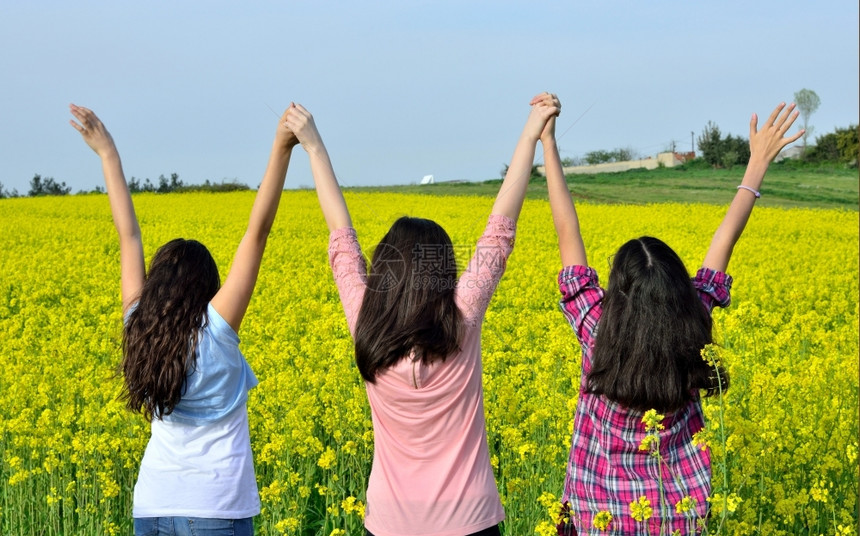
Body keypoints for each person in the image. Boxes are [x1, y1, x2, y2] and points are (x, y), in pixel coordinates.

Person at [285, 94, 560, 536]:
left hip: (390, 523)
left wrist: (313, 146)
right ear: (443, 270)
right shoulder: (461, 321)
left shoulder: (366, 326)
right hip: (470, 521)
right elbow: (498, 236)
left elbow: (341, 240)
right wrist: (532, 133)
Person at [544, 102, 802, 535]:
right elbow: (725, 243)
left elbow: (566, 233)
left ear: (618, 294)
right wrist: (755, 167)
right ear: (679, 290)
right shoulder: (692, 328)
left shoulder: (596, 332)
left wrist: (547, 142)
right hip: (675, 516)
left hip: (595, 517)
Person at [70, 102, 299, 535]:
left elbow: (128, 235)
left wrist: (108, 154)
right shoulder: (216, 332)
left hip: (153, 507)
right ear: (208, 289)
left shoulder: (139, 327)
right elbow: (257, 231)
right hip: (214, 511)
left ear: (156, 286)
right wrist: (281, 146)